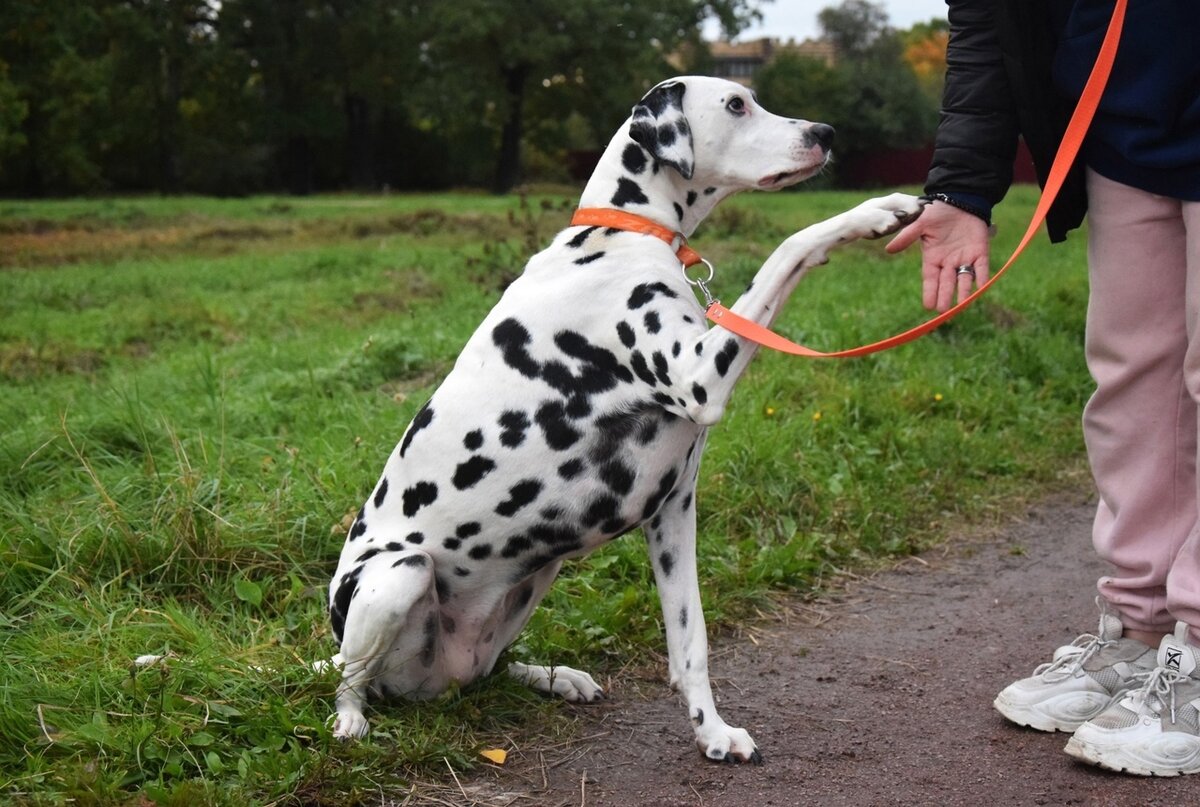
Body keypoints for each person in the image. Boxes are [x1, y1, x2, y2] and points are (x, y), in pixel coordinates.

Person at [886, 0, 1200, 776]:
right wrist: (962, 186)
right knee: (1133, 379)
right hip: (1126, 130)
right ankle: (1142, 628)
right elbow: (992, 18)